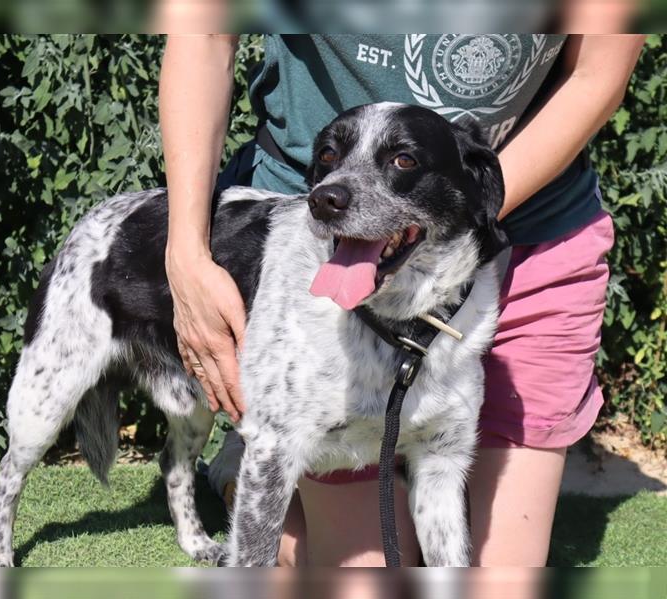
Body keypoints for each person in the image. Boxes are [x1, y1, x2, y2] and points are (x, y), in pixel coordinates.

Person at [159, 34, 645, 566]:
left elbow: (597, 74)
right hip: (324, 258)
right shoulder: (327, 206)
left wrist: (476, 206)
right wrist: (185, 252)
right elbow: (203, 34)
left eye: (401, 161)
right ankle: (259, 459)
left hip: (531, 228)